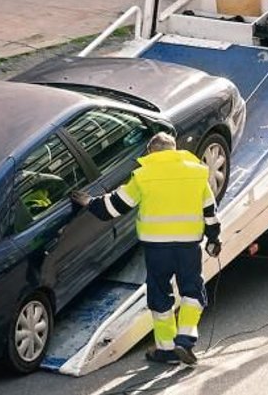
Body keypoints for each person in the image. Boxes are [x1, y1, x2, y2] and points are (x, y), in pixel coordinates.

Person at [71, 132, 222, 366]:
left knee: (160, 294)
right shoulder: (197, 173)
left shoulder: (143, 176)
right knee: (192, 290)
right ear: (173, 149)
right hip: (188, 246)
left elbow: (114, 207)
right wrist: (214, 239)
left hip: (157, 249)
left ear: (151, 152)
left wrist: (89, 202)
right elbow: (210, 211)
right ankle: (185, 338)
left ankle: (167, 350)